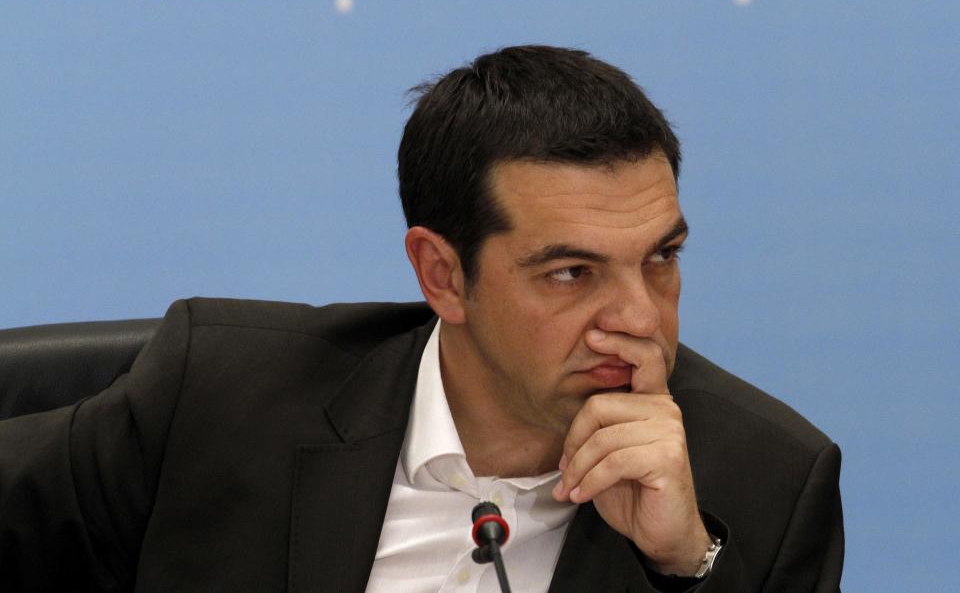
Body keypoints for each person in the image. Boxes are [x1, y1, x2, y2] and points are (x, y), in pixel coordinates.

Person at [0, 46, 843, 592]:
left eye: (661, 258)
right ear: (443, 274)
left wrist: (681, 565)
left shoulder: (763, 487)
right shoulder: (220, 394)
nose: (637, 317)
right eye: (571, 273)